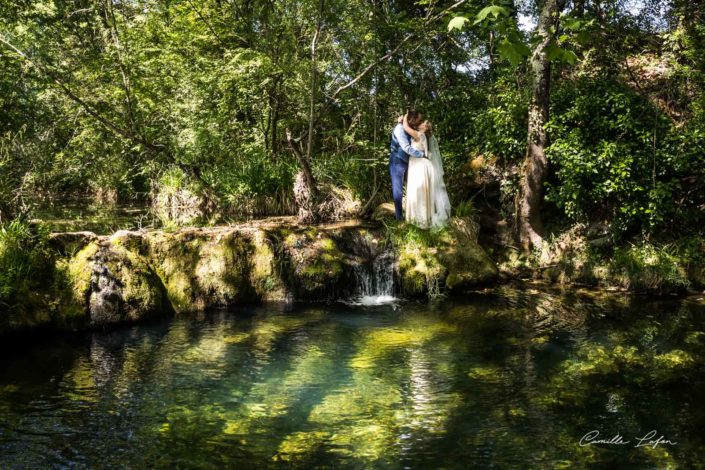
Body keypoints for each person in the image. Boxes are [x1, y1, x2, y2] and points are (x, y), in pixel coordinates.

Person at [402, 115, 451, 229]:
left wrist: (405, 117)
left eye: (423, 123)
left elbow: (405, 127)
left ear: (425, 128)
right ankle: (420, 219)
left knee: (419, 193)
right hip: (419, 165)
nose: (421, 123)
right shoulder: (421, 136)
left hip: (419, 166)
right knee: (418, 192)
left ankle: (421, 221)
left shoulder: (420, 135)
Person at [389, 110, 426, 220]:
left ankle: (413, 215)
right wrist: (422, 155)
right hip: (397, 162)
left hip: (409, 162)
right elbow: (406, 148)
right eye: (418, 120)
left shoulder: (409, 128)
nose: (419, 123)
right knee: (398, 191)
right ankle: (399, 218)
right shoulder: (399, 129)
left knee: (413, 188)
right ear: (412, 120)